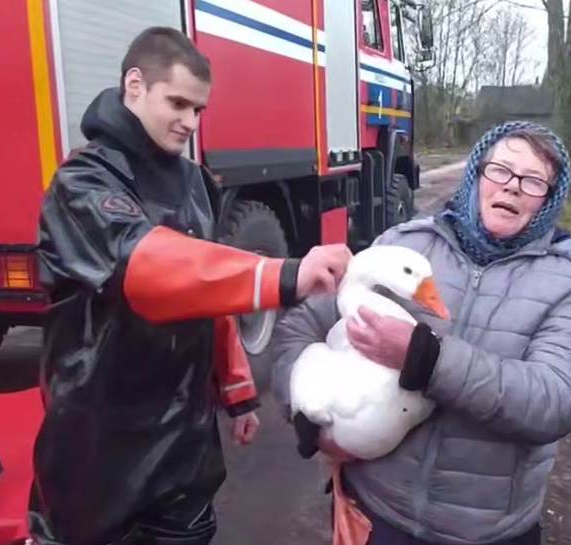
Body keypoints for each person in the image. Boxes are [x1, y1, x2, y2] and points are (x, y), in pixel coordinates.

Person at [29, 27, 351, 545]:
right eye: (177, 103)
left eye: (198, 109)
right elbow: (144, 267)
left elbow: (206, 289)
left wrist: (237, 390)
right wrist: (283, 274)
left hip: (183, 441)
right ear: (135, 85)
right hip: (97, 443)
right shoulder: (83, 183)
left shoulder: (195, 182)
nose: (189, 121)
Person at [271, 121, 571, 545]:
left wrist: (425, 360)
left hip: (487, 532)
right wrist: (304, 412)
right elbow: (300, 325)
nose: (512, 187)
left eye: (534, 180)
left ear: (550, 199)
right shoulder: (406, 245)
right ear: (477, 174)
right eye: (500, 170)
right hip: (377, 515)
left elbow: (558, 400)